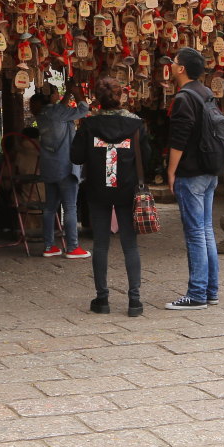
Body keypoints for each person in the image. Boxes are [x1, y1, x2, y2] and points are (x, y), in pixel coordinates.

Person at [71, 76, 149, 316]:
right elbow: (147, 160)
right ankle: (134, 301)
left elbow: (76, 157)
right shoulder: (137, 125)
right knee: (130, 244)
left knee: (101, 244)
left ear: (97, 99)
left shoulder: (89, 125)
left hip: (97, 190)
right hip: (127, 190)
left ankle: (102, 299)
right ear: (121, 96)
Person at [164, 47, 219, 311]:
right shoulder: (206, 93)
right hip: (209, 170)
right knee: (206, 230)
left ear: (182, 68)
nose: (172, 66)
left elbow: (179, 138)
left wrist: (171, 171)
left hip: (192, 172)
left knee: (196, 233)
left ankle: (197, 294)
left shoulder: (184, 98)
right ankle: (211, 290)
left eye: (174, 63)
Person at [36, 89, 90, 259]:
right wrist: (76, 92)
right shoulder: (59, 111)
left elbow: (60, 108)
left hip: (49, 166)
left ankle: (49, 246)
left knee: (50, 208)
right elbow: (84, 109)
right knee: (70, 208)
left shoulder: (42, 113)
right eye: (55, 92)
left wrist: (67, 93)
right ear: (51, 96)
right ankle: (73, 247)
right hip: (65, 166)